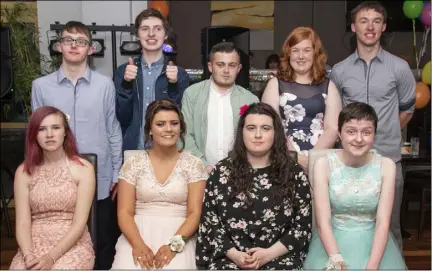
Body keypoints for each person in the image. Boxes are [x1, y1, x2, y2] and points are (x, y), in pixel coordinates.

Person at [31, 21, 123, 269]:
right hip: (57, 175)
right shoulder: (40, 86)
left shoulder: (105, 85)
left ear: (90, 49)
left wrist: (116, 171)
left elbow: (112, 129)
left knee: (103, 239)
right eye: (69, 40)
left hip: (100, 174)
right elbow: (36, 133)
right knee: (61, 238)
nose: (74, 45)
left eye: (81, 41)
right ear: (59, 45)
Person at [329, 1, 416, 250]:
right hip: (348, 162)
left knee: (390, 226)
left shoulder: (399, 68)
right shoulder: (339, 71)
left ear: (384, 27)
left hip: (387, 160)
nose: (370, 27)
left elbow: (407, 109)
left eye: (376, 21)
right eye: (364, 21)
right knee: (349, 225)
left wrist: (384, 133)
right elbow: (335, 115)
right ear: (354, 27)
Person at [196, 102, 312, 270]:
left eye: (265, 128)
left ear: (275, 133)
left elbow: (302, 226)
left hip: (278, 258)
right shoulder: (221, 172)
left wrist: (268, 254)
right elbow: (210, 222)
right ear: (241, 133)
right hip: (229, 259)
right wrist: (235, 255)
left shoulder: (293, 173)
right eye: (251, 128)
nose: (258, 135)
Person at [303, 102, 406, 269]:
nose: (359, 139)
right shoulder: (323, 165)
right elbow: (323, 222)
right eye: (351, 131)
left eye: (366, 132)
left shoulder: (386, 166)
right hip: (332, 243)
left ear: (374, 135)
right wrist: (336, 261)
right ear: (339, 134)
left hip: (375, 244)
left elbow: (383, 222)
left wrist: (372, 266)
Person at [111, 99, 208, 269]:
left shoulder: (194, 164)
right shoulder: (133, 164)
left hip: (180, 233)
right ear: (150, 130)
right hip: (137, 232)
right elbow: (124, 213)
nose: (168, 129)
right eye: (161, 124)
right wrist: (138, 244)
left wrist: (173, 246)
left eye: (174, 123)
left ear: (181, 128)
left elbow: (194, 213)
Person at [9, 106, 95, 269]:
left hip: (72, 245)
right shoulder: (23, 172)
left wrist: (51, 257)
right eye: (42, 129)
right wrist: (28, 254)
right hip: (32, 245)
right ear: (34, 135)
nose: (49, 134)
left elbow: (79, 223)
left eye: (55, 128)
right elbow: (22, 223)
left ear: (65, 132)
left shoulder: (83, 169)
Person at [261, 27, 341, 172]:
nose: (301, 56)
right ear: (288, 54)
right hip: (283, 158)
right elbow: (271, 125)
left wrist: (312, 159)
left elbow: (333, 129)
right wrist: (294, 157)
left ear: (315, 53)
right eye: (296, 50)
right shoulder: (275, 85)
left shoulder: (329, 86)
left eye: (306, 50)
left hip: (321, 162)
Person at [114, 8, 190, 151]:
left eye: (157, 29)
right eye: (145, 29)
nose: (151, 34)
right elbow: (122, 117)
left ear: (165, 34)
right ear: (137, 34)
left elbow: (181, 118)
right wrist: (126, 84)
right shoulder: (123, 72)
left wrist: (173, 85)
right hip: (134, 150)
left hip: (167, 151)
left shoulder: (179, 74)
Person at [182, 42, 259, 173]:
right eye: (220, 65)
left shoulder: (250, 99)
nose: (226, 71)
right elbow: (184, 134)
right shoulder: (192, 94)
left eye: (232, 65)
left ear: (239, 68)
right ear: (210, 66)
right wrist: (202, 164)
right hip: (198, 171)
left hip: (239, 172)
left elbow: (255, 138)